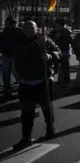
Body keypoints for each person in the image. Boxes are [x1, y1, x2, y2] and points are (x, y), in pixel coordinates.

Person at [13, 21, 60, 150]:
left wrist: (51, 56)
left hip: (43, 80)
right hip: (26, 82)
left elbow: (58, 52)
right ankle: (26, 137)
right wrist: (36, 44)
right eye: (26, 27)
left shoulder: (45, 40)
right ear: (23, 30)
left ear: (36, 29)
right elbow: (19, 55)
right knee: (27, 111)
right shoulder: (19, 41)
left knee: (47, 107)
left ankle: (50, 129)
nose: (29, 29)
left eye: (32, 27)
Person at [0, 17, 22, 99]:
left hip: (15, 55)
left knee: (16, 74)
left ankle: (22, 89)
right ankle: (7, 91)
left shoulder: (18, 31)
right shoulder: (4, 33)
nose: (8, 25)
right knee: (6, 75)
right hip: (6, 55)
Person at [49, 19, 74, 87]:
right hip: (56, 52)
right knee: (54, 67)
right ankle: (57, 80)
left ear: (60, 25)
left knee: (65, 68)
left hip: (64, 51)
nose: (55, 25)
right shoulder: (53, 31)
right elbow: (49, 40)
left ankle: (66, 81)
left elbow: (71, 41)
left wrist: (72, 49)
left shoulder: (66, 31)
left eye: (56, 24)